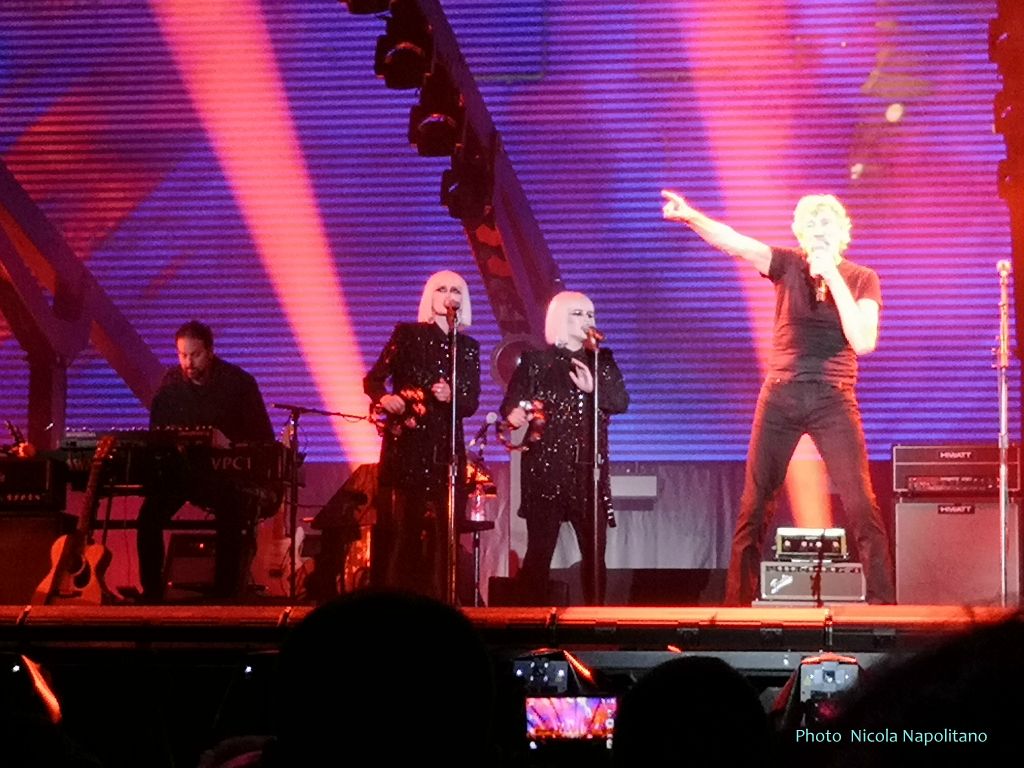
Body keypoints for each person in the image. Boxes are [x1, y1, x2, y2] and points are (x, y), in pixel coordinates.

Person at [661, 189, 895, 605]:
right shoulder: (787, 264)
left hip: (833, 399)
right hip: (781, 395)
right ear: (800, 233)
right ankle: (737, 607)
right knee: (755, 504)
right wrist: (691, 217)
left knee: (861, 503)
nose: (818, 229)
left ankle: (883, 607)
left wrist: (832, 276)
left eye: (826, 222)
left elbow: (863, 341)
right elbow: (735, 243)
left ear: (842, 232)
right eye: (811, 223)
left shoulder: (862, 277)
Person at [500, 290, 629, 605]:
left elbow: (620, 402)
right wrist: (515, 415)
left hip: (588, 473)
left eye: (590, 314)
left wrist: (593, 388)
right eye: (578, 313)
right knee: (540, 551)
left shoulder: (601, 361)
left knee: (594, 554)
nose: (587, 320)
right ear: (559, 317)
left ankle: (595, 619)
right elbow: (512, 404)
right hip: (545, 470)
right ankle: (530, 619)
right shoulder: (536, 362)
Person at [137, 320, 275, 602]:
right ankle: (151, 594)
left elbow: (262, 438)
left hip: (224, 474)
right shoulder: (171, 384)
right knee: (148, 518)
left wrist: (230, 443)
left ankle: (224, 594)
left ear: (210, 352)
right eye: (182, 355)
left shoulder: (238, 383)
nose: (188, 362)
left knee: (232, 510)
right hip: (181, 472)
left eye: (195, 355)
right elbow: (157, 432)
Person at [363, 270, 481, 600]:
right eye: (442, 289)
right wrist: (384, 398)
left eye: (456, 290)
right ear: (430, 296)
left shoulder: (467, 347)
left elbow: (470, 403)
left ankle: (444, 602)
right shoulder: (408, 335)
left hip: (446, 448)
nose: (449, 296)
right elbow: (373, 380)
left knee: (447, 535)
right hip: (409, 444)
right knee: (405, 531)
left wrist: (452, 396)